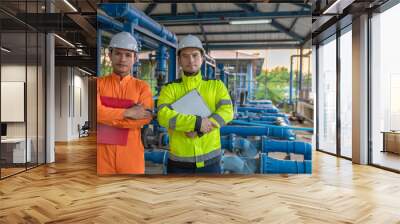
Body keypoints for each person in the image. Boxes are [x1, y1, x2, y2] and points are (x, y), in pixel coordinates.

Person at [157, 35, 234, 174]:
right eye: (185, 56)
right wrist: (196, 123)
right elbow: (163, 116)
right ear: (179, 60)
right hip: (179, 163)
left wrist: (201, 128)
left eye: (195, 55)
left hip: (211, 161)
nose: (190, 60)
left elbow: (227, 112)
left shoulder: (216, 86)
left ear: (202, 58)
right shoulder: (169, 89)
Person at [97, 32, 153, 175]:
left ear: (135, 58)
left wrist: (106, 117)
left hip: (131, 157)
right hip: (102, 157)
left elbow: (145, 117)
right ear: (110, 55)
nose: (122, 59)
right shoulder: (98, 84)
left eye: (128, 55)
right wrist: (127, 113)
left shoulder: (142, 87)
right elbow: (94, 112)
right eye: (118, 54)